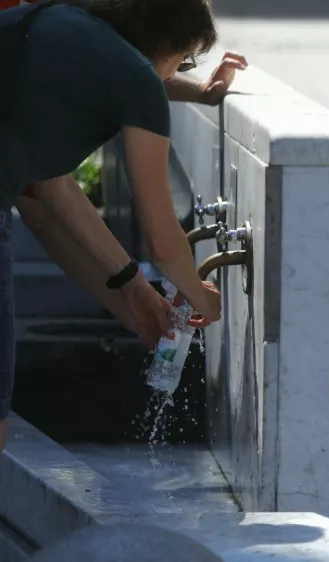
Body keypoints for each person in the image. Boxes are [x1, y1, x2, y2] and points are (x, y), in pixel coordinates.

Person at [0, 0, 246, 452]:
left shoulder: (61, 25)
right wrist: (199, 294)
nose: (177, 73)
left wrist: (131, 289)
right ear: (168, 42)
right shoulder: (133, 77)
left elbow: (51, 201)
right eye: (184, 59)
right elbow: (161, 237)